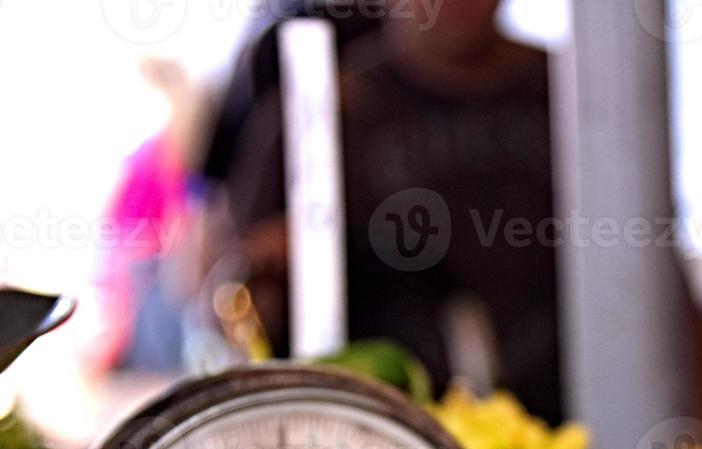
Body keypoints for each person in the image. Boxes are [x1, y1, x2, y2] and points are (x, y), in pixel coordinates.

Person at [220, 0, 565, 423]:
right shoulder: (330, 109)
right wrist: (273, 273)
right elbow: (240, 292)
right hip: (385, 432)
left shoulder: (572, 94)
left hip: (572, 425)